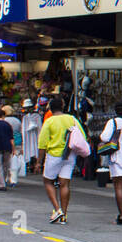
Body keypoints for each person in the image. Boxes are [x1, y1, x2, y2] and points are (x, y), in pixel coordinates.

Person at [37, 95, 81, 224]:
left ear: (50, 108)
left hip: (54, 155)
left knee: (48, 181)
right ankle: (64, 214)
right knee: (65, 184)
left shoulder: (49, 121)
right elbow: (82, 135)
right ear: (62, 106)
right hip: (69, 155)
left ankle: (57, 210)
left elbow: (42, 143)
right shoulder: (72, 119)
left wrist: (39, 162)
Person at [1, 105, 23, 186]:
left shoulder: (4, 120)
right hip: (18, 141)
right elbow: (21, 131)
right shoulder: (17, 120)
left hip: (7, 142)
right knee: (15, 161)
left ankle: (6, 179)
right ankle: (14, 180)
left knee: (6, 162)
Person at [21, 99, 42, 174]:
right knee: (29, 149)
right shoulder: (25, 117)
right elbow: (23, 128)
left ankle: (36, 164)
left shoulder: (37, 116)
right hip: (28, 136)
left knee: (35, 148)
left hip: (35, 135)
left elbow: (40, 127)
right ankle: (30, 165)